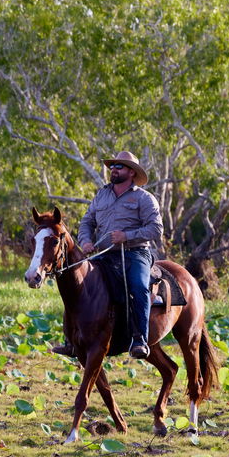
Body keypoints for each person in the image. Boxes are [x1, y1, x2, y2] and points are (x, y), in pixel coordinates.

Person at [53, 150, 163, 360]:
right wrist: (86, 241)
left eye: (119, 166)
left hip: (135, 254)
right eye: (112, 166)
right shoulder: (102, 195)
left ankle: (139, 339)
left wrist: (126, 236)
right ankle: (71, 340)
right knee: (77, 285)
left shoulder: (144, 198)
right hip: (104, 254)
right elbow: (87, 222)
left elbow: (156, 229)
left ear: (131, 172)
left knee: (139, 287)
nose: (113, 169)